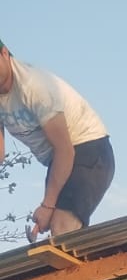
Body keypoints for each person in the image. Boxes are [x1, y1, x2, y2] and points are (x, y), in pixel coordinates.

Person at [0, 39, 114, 239]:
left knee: (62, 226)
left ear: (4, 53)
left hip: (89, 149)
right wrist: (47, 209)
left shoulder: (34, 86)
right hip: (58, 160)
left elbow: (65, 151)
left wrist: (48, 205)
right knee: (55, 231)